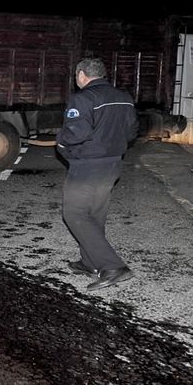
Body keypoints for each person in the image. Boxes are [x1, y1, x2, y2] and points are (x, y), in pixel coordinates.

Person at [55, 58, 139, 291]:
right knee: (95, 212)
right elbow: (132, 131)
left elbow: (75, 133)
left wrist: (60, 142)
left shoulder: (82, 98)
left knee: (74, 213)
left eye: (76, 76)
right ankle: (90, 262)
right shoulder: (124, 98)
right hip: (113, 163)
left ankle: (112, 266)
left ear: (81, 75)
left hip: (88, 165)